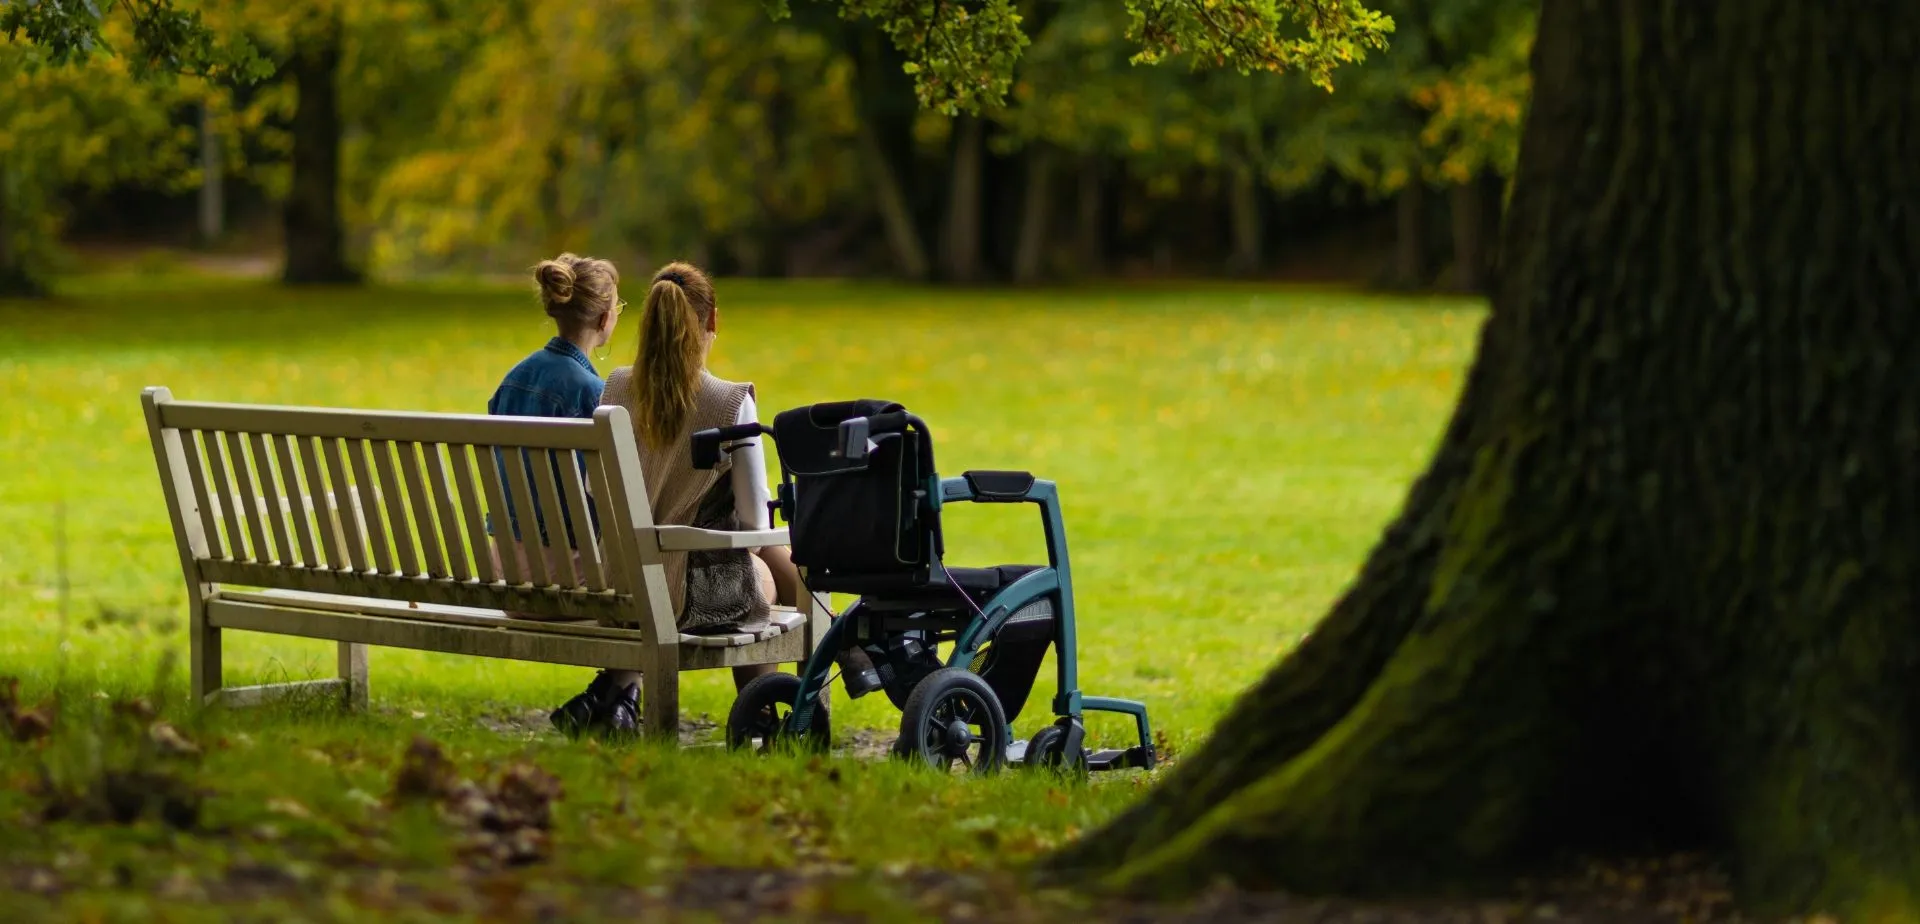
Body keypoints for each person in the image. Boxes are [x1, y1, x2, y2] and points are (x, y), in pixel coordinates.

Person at [549, 261, 877, 739]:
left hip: (620, 586)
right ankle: (804, 692)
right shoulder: (728, 402)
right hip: (688, 596)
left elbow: (597, 491)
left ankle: (776, 707)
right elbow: (751, 520)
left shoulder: (615, 388)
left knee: (759, 563)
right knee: (772, 565)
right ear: (712, 320)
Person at [485, 253, 618, 608]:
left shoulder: (512, 380)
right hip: (568, 580)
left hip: (507, 572)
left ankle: (621, 669)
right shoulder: (592, 392)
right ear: (605, 319)